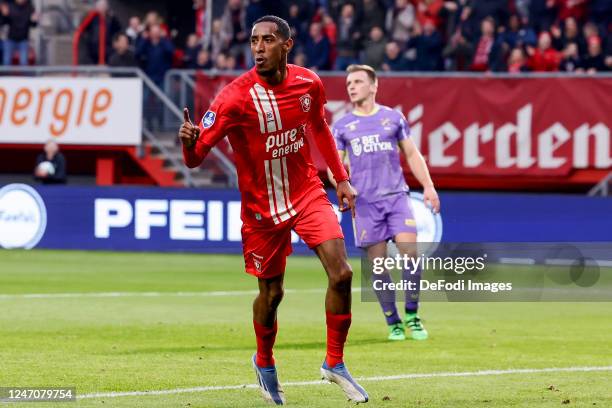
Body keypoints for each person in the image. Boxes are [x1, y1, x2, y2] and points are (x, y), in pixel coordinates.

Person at [178, 15, 368, 405]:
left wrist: (341, 177)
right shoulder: (234, 97)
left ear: (287, 44)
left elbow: (319, 127)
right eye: (253, 41)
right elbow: (196, 158)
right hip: (262, 210)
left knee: (343, 272)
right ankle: (264, 362)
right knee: (272, 293)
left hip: (306, 193)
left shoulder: (308, 83)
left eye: (267, 40)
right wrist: (188, 142)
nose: (259, 48)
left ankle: (335, 362)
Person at [330, 64, 440, 341]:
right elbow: (334, 167)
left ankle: (413, 316)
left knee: (410, 253)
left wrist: (428, 186)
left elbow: (412, 154)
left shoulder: (393, 118)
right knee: (378, 266)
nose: (351, 87)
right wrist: (343, 185)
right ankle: (393, 321)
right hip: (365, 203)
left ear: (374, 85)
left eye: (357, 81)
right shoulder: (342, 126)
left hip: (396, 198)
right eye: (349, 83)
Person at [1, 0, 37, 66]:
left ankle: (24, 76)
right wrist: (4, 15)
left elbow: (33, 25)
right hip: (10, 38)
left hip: (23, 39)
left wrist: (34, 20)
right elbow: (3, 23)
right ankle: (6, 76)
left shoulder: (29, 7)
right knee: (6, 61)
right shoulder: (9, 5)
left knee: (24, 62)